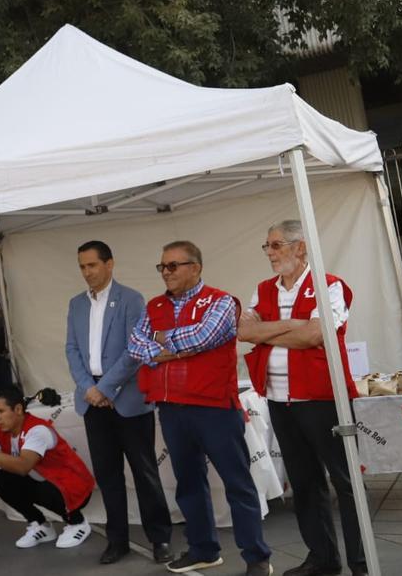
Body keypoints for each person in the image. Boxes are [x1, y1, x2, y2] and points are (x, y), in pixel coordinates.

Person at [129, 240, 271, 576]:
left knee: (238, 483)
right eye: (162, 266)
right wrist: (174, 344)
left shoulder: (222, 302)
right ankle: (203, 549)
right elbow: (136, 346)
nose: (166, 272)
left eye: (173, 265)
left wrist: (162, 341)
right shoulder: (153, 306)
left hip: (214, 408)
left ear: (196, 268)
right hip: (173, 409)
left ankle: (257, 557)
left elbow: (205, 337)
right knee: (188, 483)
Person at [239, 221, 363, 576]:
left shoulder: (330, 286)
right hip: (279, 400)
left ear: (300, 248)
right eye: (267, 246)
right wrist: (292, 325)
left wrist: (272, 330)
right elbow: (245, 330)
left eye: (276, 245)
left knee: (345, 480)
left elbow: (313, 335)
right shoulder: (264, 289)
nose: (270, 253)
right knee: (305, 482)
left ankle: (361, 559)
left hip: (322, 398)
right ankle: (323, 558)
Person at [63, 240, 172, 565]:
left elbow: (135, 350)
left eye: (92, 265)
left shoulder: (131, 299)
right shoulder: (76, 304)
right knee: (108, 475)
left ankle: (160, 538)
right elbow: (71, 349)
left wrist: (106, 388)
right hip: (91, 399)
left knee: (144, 472)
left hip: (126, 398)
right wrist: (88, 388)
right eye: (82, 266)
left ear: (109, 265)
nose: (87, 272)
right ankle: (117, 539)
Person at [0, 386, 96, 549]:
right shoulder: (1, 430)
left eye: (1, 411)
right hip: (46, 481)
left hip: (73, 487)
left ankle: (78, 523)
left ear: (18, 409)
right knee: (0, 478)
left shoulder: (37, 430)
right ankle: (40, 524)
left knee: (40, 485)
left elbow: (23, 466)